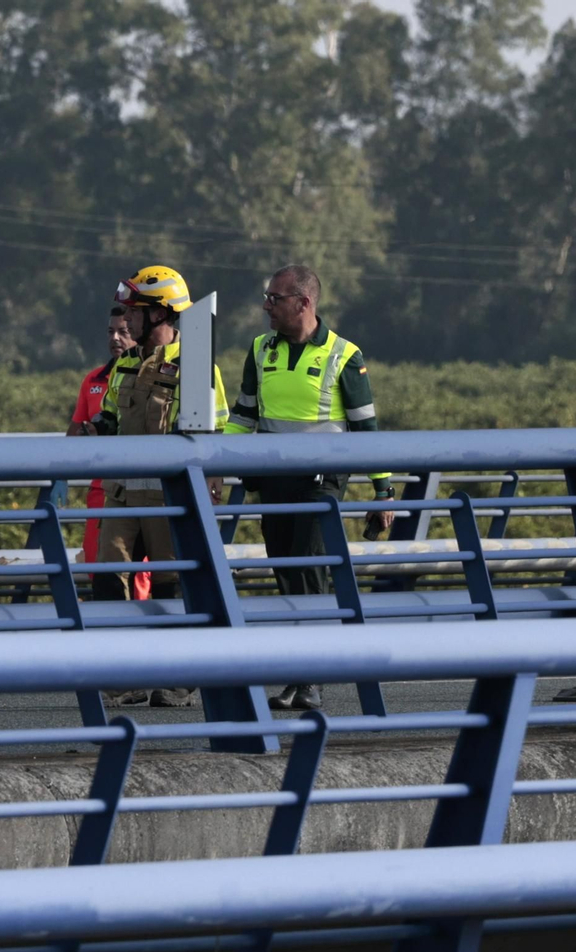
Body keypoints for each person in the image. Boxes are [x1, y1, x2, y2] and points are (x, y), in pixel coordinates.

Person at [224, 264, 396, 711]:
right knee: (286, 572)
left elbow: (366, 428)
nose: (266, 306)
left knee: (310, 573)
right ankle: (299, 677)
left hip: (321, 487)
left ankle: (310, 678)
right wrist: (213, 467)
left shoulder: (345, 354)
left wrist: (383, 492)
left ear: (303, 302)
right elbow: (244, 417)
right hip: (273, 482)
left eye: (274, 299)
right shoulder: (260, 349)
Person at [89, 266, 228, 707]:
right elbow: (109, 418)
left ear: (162, 315)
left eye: (137, 312)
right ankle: (123, 675)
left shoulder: (197, 366)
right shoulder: (123, 365)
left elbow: (215, 436)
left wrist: (209, 483)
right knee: (110, 582)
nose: (127, 321)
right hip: (121, 495)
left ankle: (177, 678)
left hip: (169, 500)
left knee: (171, 585)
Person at [66, 307, 150, 601]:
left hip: (145, 492)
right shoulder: (92, 380)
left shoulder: (154, 375)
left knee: (141, 577)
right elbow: (73, 436)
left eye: (123, 332)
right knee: (101, 572)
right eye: (110, 331)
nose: (115, 338)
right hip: (102, 492)